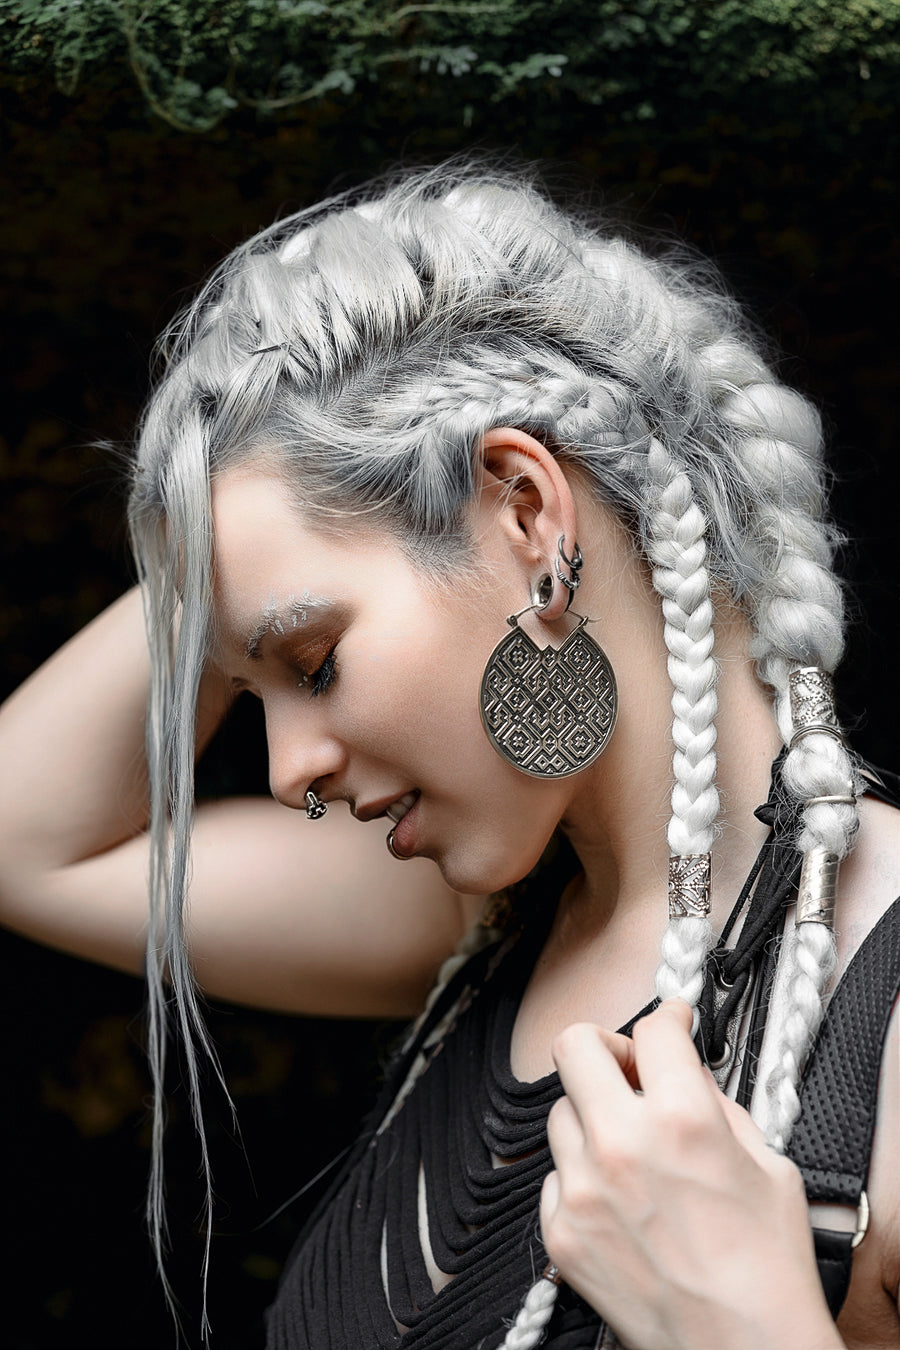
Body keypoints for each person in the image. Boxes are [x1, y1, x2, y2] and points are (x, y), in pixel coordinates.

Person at [1, 160, 898, 1350]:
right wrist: (219, 504)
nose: (286, 774)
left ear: (529, 515)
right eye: (247, 687)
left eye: (312, 660)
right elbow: (24, 840)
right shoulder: (486, 921)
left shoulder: (879, 1020)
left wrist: (743, 1321)